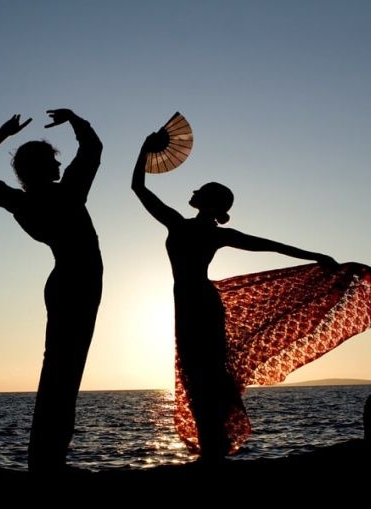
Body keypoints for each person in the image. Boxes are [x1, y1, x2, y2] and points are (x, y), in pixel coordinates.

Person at [130, 132, 337, 460]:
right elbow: (271, 245)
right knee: (201, 373)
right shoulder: (202, 230)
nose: (193, 191)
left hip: (195, 304)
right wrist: (315, 255)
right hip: (196, 303)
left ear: (208, 202)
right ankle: (214, 446)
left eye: (199, 189)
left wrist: (144, 150)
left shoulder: (184, 226)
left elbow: (138, 187)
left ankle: (213, 448)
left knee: (201, 373)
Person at [0, 109, 103, 471]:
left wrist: (0, 136)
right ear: (44, 167)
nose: (59, 164)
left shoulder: (20, 202)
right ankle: (48, 461)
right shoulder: (68, 193)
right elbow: (93, 148)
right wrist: (74, 120)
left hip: (64, 282)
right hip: (78, 283)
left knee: (58, 370)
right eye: (54, 160)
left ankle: (47, 457)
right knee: (64, 372)